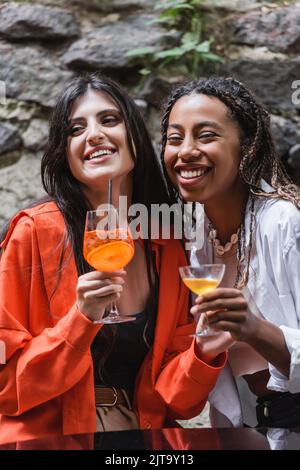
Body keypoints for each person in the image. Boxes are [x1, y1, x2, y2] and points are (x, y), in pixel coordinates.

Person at [0, 73, 226, 445]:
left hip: (140, 434)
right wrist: (81, 319)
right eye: (75, 128)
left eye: (109, 119)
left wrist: (206, 349)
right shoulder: (33, 233)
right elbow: (8, 387)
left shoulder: (167, 243)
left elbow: (179, 403)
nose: (93, 135)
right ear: (64, 151)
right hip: (49, 438)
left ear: (133, 133)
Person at [161, 76, 300, 428]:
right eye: (174, 138)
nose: (185, 150)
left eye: (206, 135)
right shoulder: (194, 235)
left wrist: (253, 328)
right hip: (242, 431)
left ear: (247, 145)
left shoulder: (283, 223)